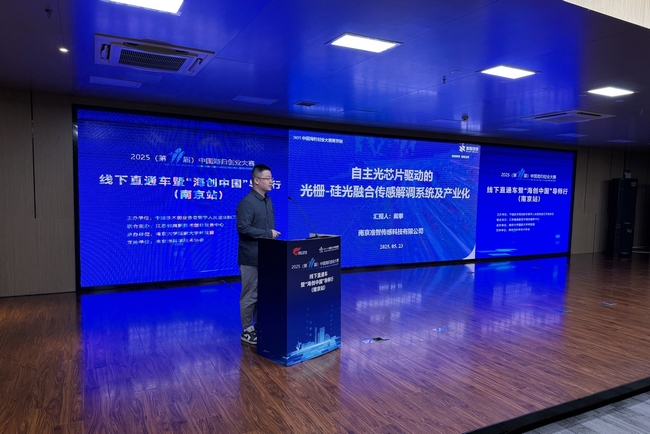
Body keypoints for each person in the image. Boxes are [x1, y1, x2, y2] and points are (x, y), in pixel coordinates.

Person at [236, 164, 280, 344]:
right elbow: (243, 228)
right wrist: (267, 234)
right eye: (267, 178)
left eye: (271, 178)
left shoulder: (267, 201)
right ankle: (247, 330)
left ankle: (259, 325)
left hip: (266, 256)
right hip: (251, 257)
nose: (271, 181)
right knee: (250, 294)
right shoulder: (247, 202)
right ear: (256, 180)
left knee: (263, 294)